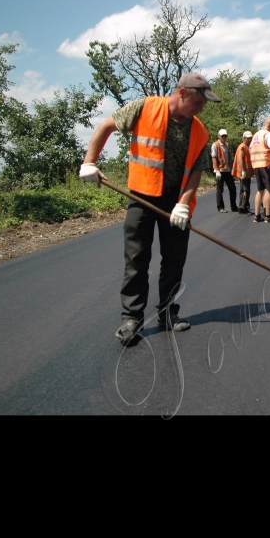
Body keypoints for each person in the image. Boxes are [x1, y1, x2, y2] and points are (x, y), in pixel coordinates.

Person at [79, 73, 219, 344]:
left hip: (175, 201)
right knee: (136, 258)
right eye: (199, 102)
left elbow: (196, 172)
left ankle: (168, 314)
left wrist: (182, 203)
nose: (200, 109)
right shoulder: (144, 107)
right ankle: (131, 319)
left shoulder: (199, 130)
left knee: (174, 259)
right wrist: (89, 162)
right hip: (141, 196)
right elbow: (106, 127)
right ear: (182, 93)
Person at [250, 118, 270, 223]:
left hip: (256, 165)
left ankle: (257, 216)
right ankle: (268, 215)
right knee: (269, 190)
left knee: (260, 190)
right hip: (266, 165)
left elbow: (250, 148)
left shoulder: (256, 135)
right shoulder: (268, 134)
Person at [211, 128, 237, 213]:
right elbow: (214, 158)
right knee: (220, 190)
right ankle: (220, 207)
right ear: (219, 136)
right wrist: (217, 170)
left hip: (227, 170)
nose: (224, 137)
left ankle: (233, 206)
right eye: (222, 136)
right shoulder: (215, 145)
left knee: (232, 188)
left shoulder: (227, 145)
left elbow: (229, 157)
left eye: (225, 136)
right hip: (220, 171)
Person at [233, 130, 253, 215]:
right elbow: (240, 158)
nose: (249, 140)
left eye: (250, 138)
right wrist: (243, 171)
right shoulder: (242, 147)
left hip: (247, 174)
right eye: (248, 138)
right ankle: (242, 209)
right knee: (244, 190)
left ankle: (245, 207)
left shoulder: (247, 147)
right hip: (243, 174)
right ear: (243, 138)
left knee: (247, 190)